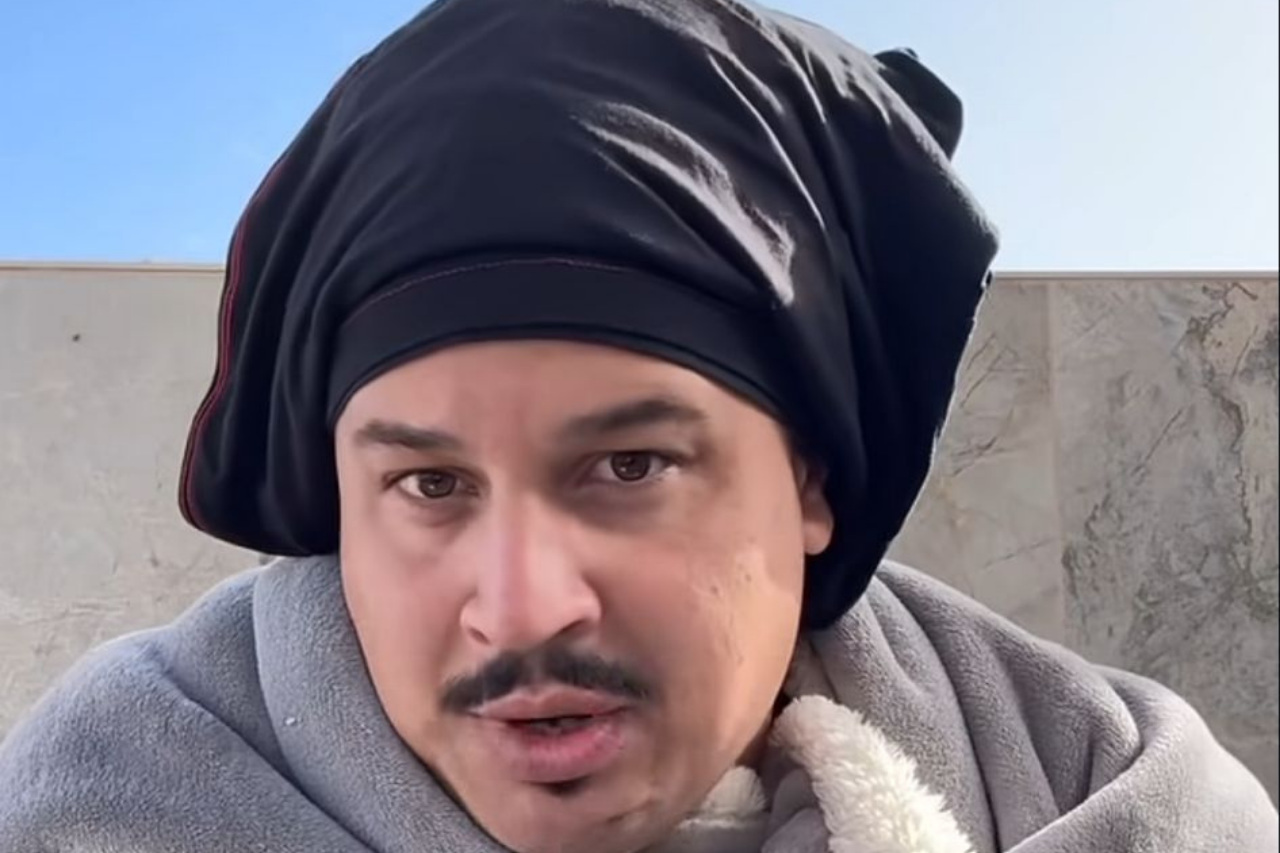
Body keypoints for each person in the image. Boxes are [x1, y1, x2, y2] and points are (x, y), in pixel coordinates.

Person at [1, 0, 1275, 851]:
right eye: (430, 485)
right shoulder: (114, 804)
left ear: (810, 480)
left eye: (626, 463)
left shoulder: (1112, 793)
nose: (521, 607)